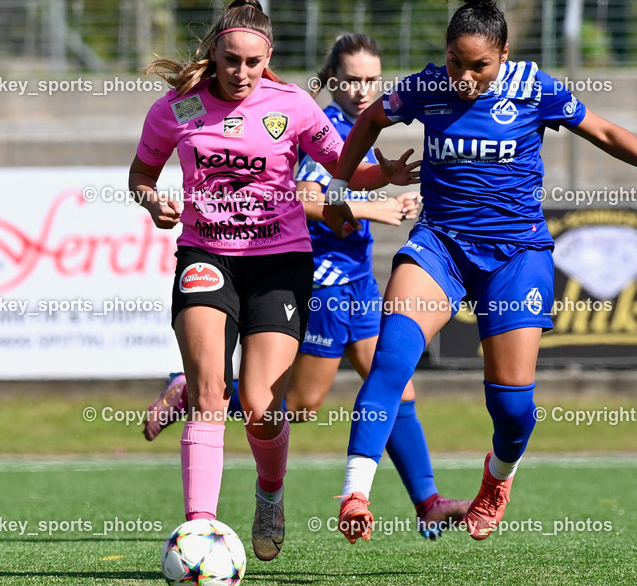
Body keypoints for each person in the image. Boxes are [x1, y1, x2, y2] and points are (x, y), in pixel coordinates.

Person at [325, 0, 637, 543]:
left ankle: (496, 478)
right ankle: (355, 492)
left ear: (504, 53)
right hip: (440, 246)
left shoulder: (536, 89)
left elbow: (604, 131)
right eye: (456, 61)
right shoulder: (426, 87)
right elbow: (375, 117)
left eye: (478, 65)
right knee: (389, 364)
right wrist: (349, 174)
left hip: (516, 255)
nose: (464, 76)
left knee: (511, 410)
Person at [143, 33, 471, 539]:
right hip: (320, 279)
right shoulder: (312, 120)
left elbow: (346, 177)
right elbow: (301, 194)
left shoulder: (348, 126)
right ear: (333, 79)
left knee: (395, 385)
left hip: (358, 279)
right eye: (353, 79)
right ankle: (200, 394)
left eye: (371, 80)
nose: (363, 90)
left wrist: (379, 180)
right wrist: (372, 207)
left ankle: (426, 499)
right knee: (292, 405)